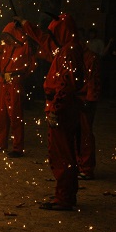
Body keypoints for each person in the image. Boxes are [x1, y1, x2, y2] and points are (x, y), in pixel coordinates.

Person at [15, 14, 84, 210]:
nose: (52, 37)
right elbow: (46, 41)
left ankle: (65, 197)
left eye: (55, 33)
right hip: (60, 107)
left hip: (62, 109)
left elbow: (67, 84)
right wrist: (27, 25)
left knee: (63, 154)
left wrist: (56, 108)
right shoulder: (65, 48)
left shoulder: (69, 51)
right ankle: (64, 194)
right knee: (60, 153)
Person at [0, 21, 35, 158]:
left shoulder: (25, 47)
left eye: (8, 35)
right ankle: (1, 143)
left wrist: (21, 77)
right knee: (2, 114)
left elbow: (33, 64)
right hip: (4, 82)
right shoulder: (7, 48)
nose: (6, 39)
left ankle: (17, 147)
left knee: (15, 115)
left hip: (14, 83)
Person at [77, 42, 101, 180]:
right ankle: (79, 165)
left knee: (85, 133)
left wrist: (89, 99)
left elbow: (93, 80)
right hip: (77, 98)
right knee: (76, 133)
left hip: (85, 100)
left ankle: (86, 168)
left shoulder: (90, 58)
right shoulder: (76, 56)